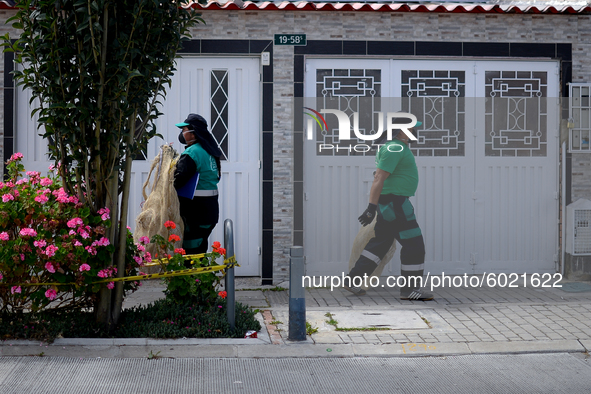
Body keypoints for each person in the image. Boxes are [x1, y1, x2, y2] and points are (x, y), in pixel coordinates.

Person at [343, 121, 434, 301]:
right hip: (396, 204)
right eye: (411, 128)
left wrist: (375, 207)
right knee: (414, 245)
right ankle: (410, 290)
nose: (415, 131)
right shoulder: (395, 148)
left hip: (392, 203)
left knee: (380, 244)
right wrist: (371, 208)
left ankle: (353, 279)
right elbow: (378, 177)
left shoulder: (397, 147)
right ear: (400, 130)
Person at [174, 114, 222, 255]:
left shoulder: (192, 153)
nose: (182, 134)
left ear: (193, 132)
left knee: (191, 254)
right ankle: (200, 277)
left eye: (184, 130)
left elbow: (178, 180)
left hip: (195, 213)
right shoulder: (209, 150)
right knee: (200, 249)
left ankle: (195, 277)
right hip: (209, 211)